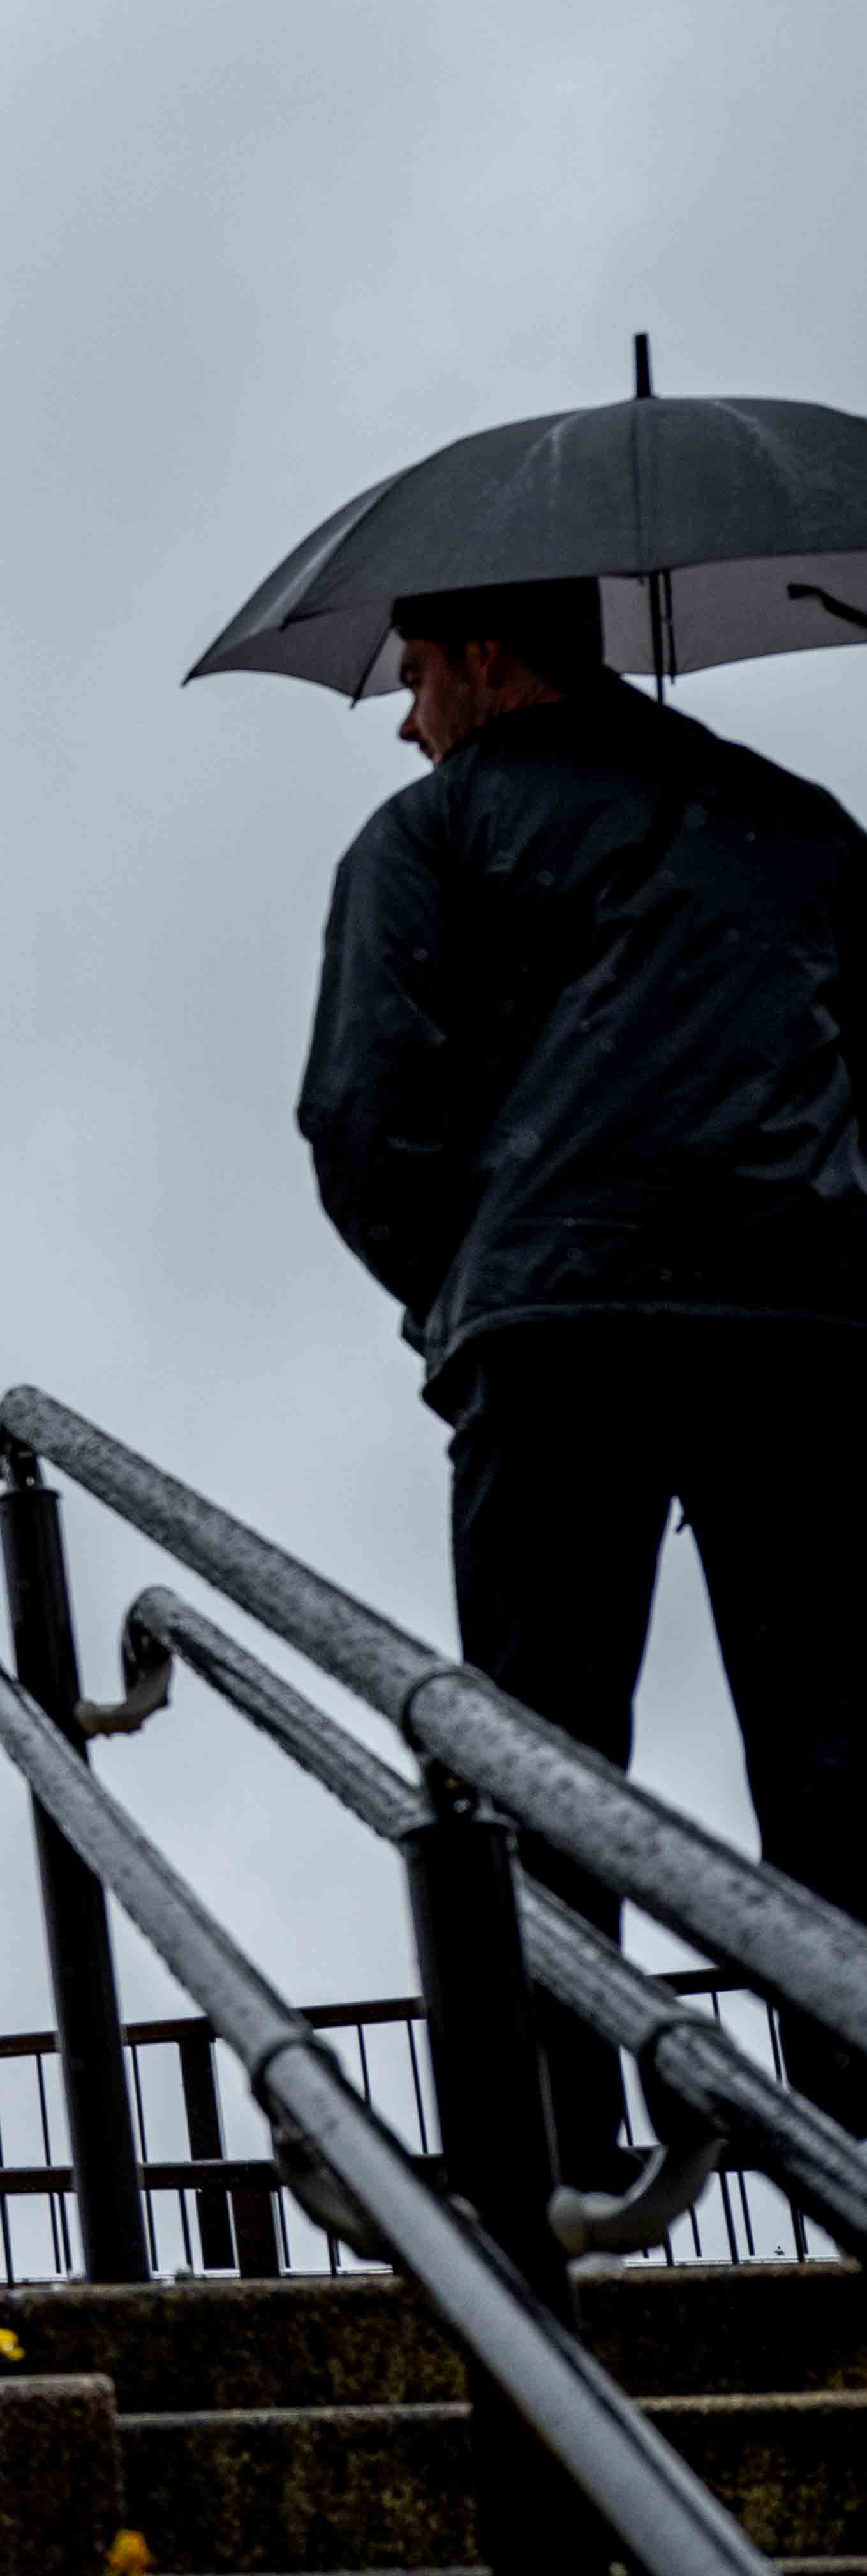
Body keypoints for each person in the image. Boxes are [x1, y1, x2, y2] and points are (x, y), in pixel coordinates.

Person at [297, 571, 867, 2126]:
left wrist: (464, 1280)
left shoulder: (431, 836)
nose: (408, 721)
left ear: (489, 658)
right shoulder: (803, 826)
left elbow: (360, 1112)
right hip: (801, 1326)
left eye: (417, 677)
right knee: (840, 1748)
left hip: (556, 1337)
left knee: (535, 1752)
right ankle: (859, 2120)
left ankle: (564, 2145)